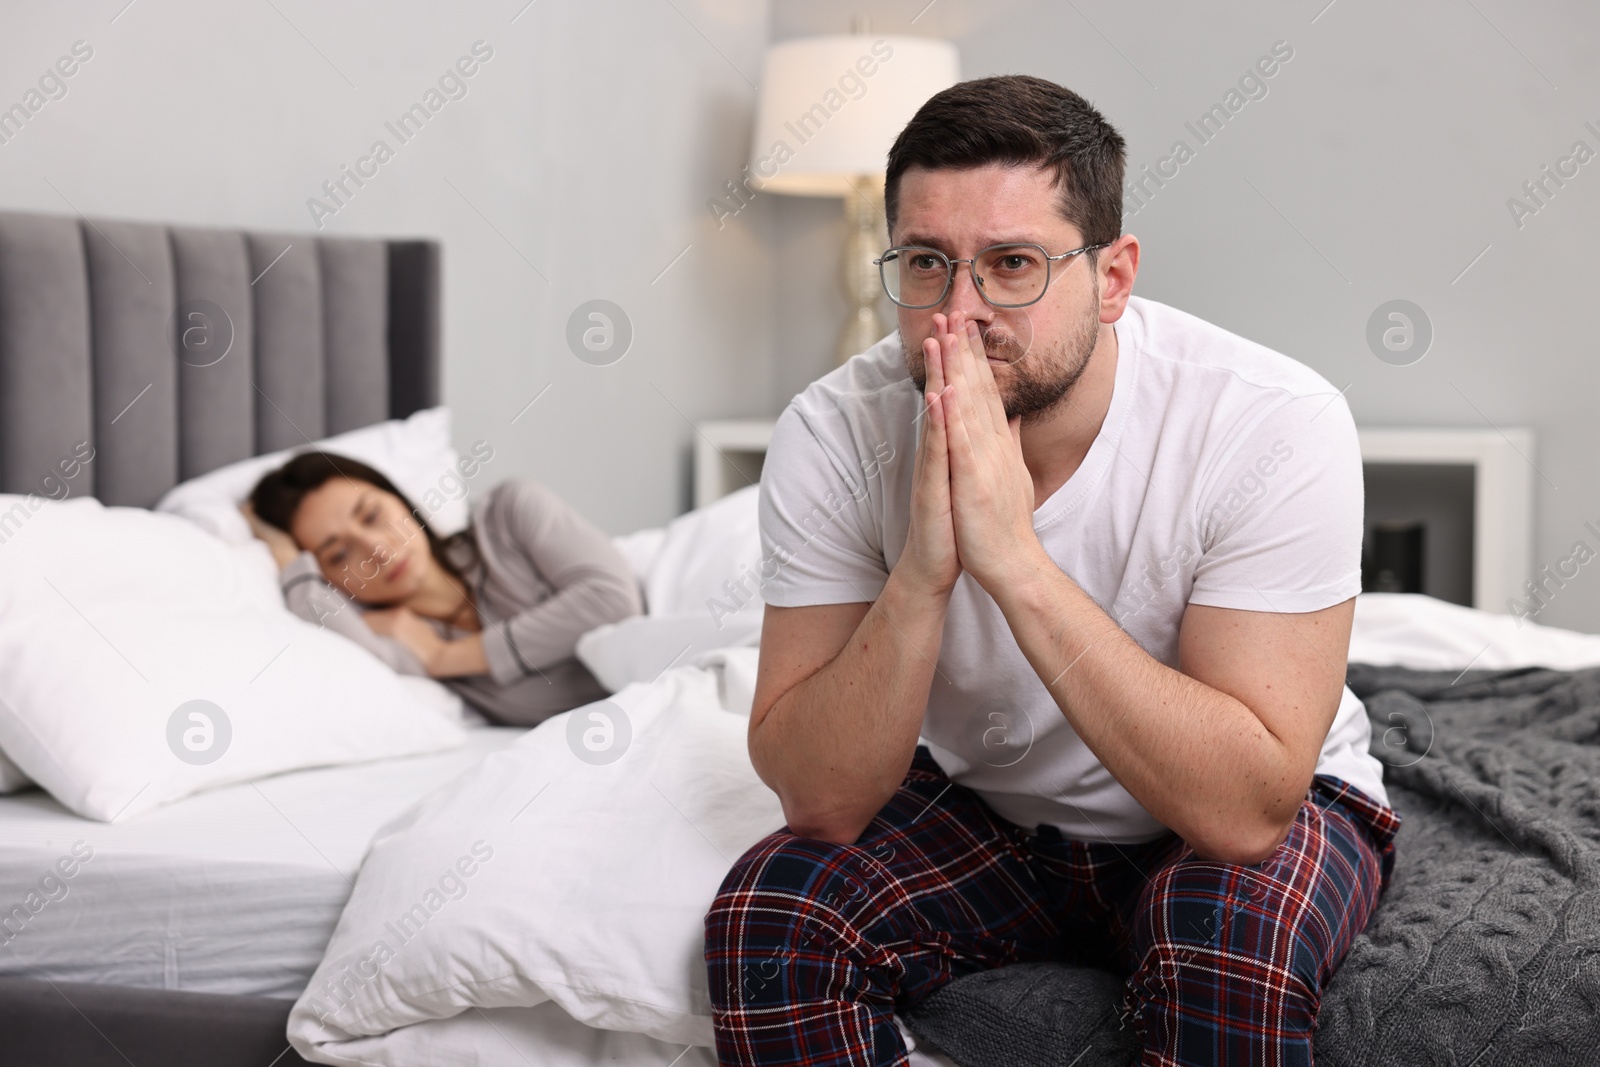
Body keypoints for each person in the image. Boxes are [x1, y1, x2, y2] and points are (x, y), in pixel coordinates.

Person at [704, 75, 1401, 1066]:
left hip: (1228, 811)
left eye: (1012, 264)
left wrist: (1015, 562)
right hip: (992, 809)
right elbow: (822, 800)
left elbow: (1245, 809)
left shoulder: (1271, 420)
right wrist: (922, 576)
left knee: (1224, 952)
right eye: (926, 262)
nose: (960, 312)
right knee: (767, 917)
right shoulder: (832, 430)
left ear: (1112, 277)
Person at [243, 451, 642, 726]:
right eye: (340, 554)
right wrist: (287, 560)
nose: (379, 551)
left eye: (372, 515)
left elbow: (613, 603)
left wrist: (446, 657)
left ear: (400, 498)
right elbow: (329, 625)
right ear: (328, 578)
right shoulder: (395, 635)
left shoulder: (508, 515)